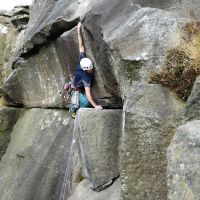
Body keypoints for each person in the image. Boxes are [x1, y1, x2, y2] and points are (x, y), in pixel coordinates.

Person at [69, 22, 102, 116]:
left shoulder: (83, 60)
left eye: (91, 68)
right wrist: (95, 106)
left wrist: (78, 31)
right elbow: (88, 93)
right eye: (89, 70)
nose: (91, 71)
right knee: (86, 103)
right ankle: (73, 108)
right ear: (85, 70)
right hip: (76, 89)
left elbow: (81, 46)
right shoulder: (86, 77)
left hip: (77, 84)